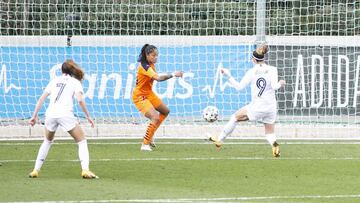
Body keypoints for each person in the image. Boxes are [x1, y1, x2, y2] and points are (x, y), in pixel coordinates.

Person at [209, 44, 286, 157]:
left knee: (234, 117)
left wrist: (228, 75)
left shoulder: (252, 72)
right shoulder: (272, 70)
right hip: (271, 107)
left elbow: (239, 87)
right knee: (269, 132)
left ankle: (219, 140)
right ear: (263, 58)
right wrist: (281, 83)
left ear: (254, 59)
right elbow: (275, 86)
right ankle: (275, 146)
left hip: (257, 106)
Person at [28, 59, 98, 178]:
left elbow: (41, 99)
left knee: (47, 141)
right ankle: (85, 170)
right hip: (65, 114)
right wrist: (88, 117)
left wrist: (34, 116)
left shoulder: (54, 81)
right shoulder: (75, 82)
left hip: (50, 114)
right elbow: (80, 100)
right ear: (73, 70)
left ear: (61, 70)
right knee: (81, 141)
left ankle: (35, 170)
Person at [132, 44, 183, 151]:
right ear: (147, 55)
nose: (156, 57)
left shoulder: (150, 64)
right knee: (155, 117)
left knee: (165, 111)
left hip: (148, 93)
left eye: (157, 55)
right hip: (140, 96)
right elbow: (158, 78)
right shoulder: (145, 67)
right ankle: (145, 144)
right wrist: (173, 74)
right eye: (153, 55)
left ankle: (150, 137)